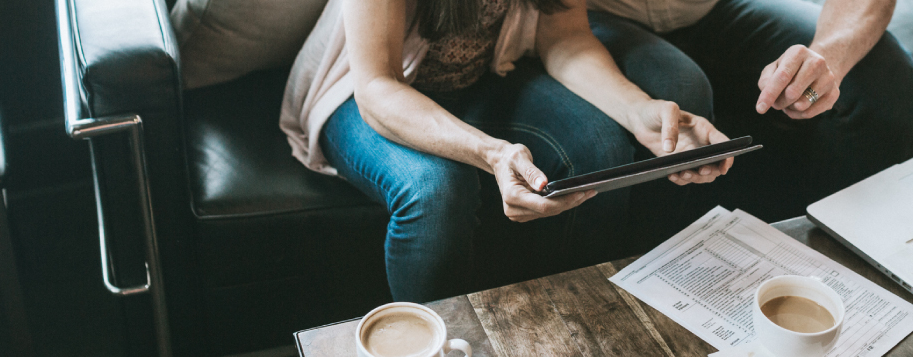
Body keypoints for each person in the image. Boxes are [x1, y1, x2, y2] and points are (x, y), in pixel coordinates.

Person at [281, 0, 733, 302]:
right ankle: (432, 356)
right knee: (437, 188)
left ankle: (564, 321)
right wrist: (493, 154)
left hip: (474, 81)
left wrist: (637, 110)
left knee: (600, 145)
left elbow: (565, 38)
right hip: (361, 94)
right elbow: (378, 86)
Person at [585, 0, 913, 221]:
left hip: (714, 7)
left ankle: (840, 246)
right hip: (597, 17)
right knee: (679, 88)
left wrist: (826, 59)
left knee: (883, 71)